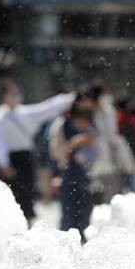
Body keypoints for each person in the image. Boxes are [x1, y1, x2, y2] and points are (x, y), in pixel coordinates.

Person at [0, 81, 75, 221]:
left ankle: (26, 225)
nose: (15, 96)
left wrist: (71, 97)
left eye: (17, 93)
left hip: (25, 157)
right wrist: (3, 163)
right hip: (9, 160)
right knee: (9, 197)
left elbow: (48, 108)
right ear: (4, 96)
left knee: (27, 194)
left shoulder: (24, 112)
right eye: (12, 93)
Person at [53, 94, 99, 240]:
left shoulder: (93, 125)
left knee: (85, 213)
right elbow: (56, 152)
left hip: (87, 174)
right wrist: (75, 143)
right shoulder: (62, 124)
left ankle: (83, 244)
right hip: (68, 173)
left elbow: (99, 150)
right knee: (68, 213)